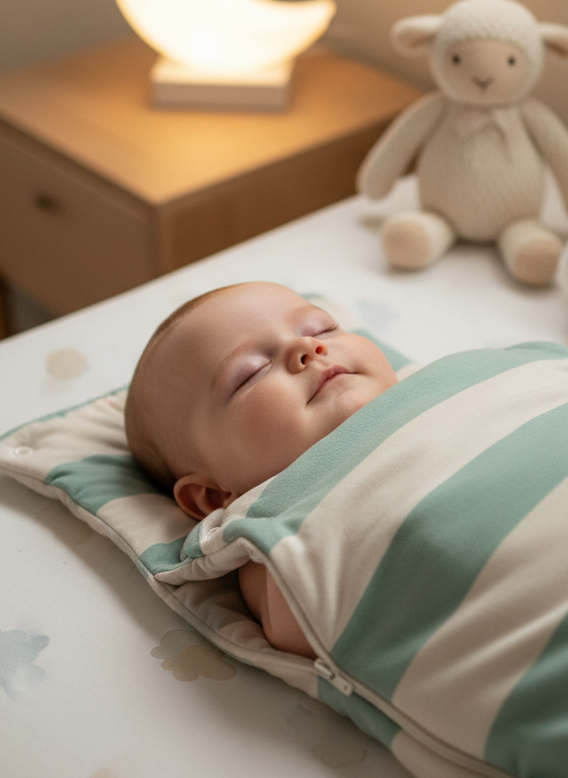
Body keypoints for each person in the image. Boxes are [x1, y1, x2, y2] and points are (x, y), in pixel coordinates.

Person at [125, 281, 398, 659]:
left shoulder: (441, 388)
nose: (308, 347)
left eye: (321, 329)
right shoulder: (269, 543)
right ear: (215, 495)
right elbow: (307, 624)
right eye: (251, 372)